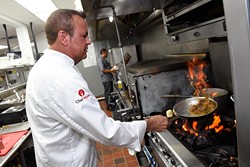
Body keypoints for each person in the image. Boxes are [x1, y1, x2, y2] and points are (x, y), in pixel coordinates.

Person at [25, 9, 168, 167]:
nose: (88, 42)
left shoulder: (47, 67)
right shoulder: (60, 77)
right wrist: (149, 124)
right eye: (84, 35)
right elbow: (106, 130)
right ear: (63, 37)